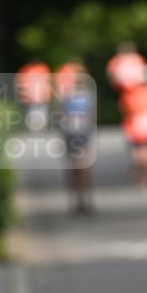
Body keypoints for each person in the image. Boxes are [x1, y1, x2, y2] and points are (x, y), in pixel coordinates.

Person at [55, 61, 96, 214]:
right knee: (75, 167)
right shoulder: (69, 96)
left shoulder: (88, 96)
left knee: (82, 167)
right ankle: (76, 200)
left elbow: (91, 117)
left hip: (82, 135)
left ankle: (83, 199)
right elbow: (60, 115)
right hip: (72, 134)